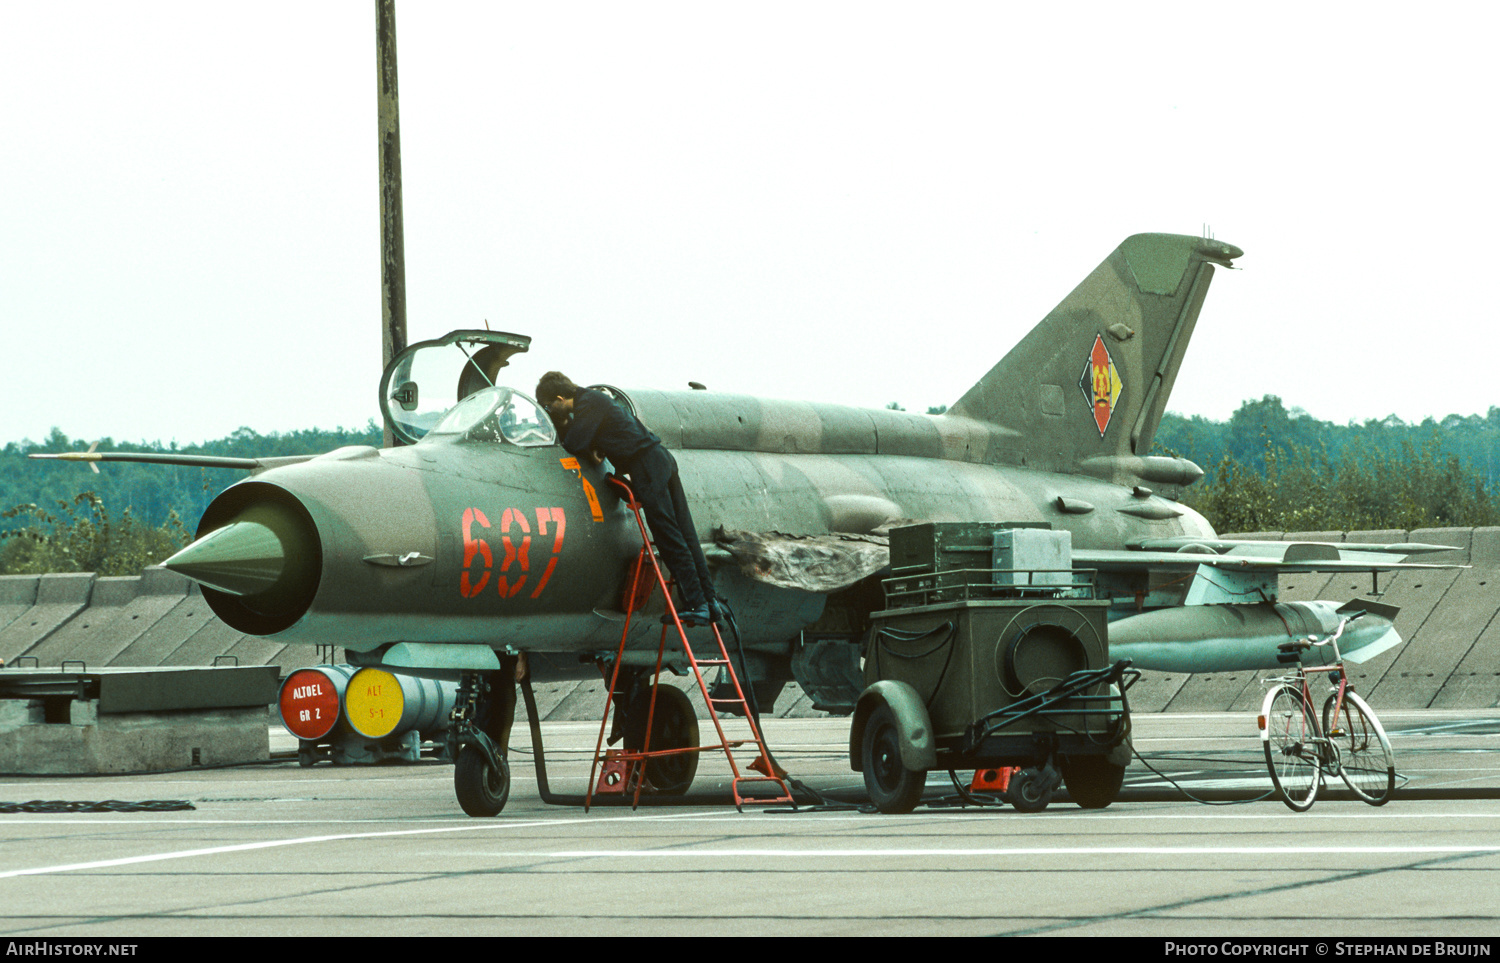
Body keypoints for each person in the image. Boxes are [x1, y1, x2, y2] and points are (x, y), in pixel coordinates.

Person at [535, 371, 715, 625]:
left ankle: (698, 604)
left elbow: (574, 443)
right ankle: (710, 602)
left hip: (647, 466)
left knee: (669, 537)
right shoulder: (594, 402)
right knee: (685, 534)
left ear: (560, 397)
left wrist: (566, 428)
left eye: (549, 405)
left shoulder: (588, 403)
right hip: (659, 460)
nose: (550, 410)